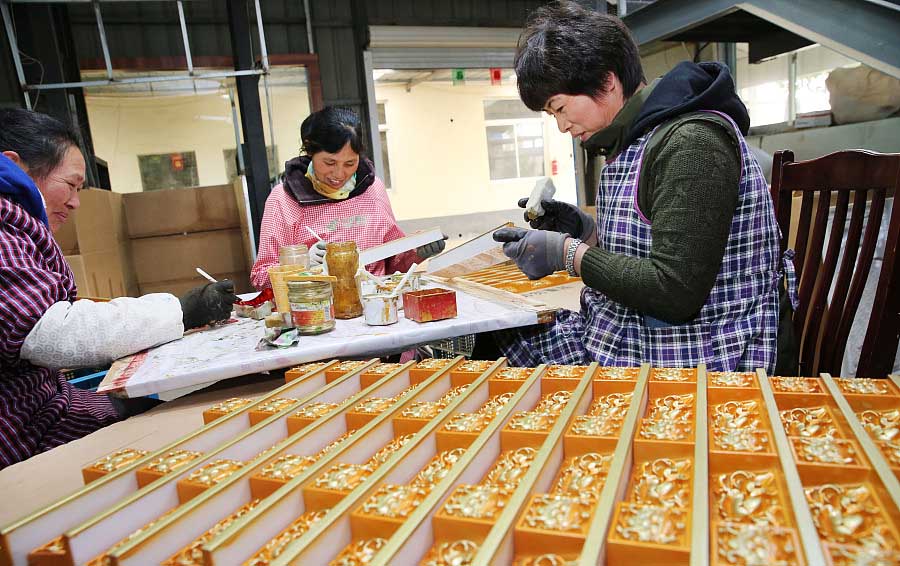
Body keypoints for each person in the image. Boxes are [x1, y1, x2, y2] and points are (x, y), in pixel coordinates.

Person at [488, 2, 796, 373]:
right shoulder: (634, 140)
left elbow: (674, 290)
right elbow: (647, 246)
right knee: (504, 332)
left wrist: (567, 255)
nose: (562, 126)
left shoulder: (692, 143)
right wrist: (582, 231)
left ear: (607, 80)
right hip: (640, 333)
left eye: (560, 108)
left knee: (504, 356)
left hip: (703, 353)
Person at [0, 108, 237, 469]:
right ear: (14, 165)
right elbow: (49, 332)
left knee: (188, 413)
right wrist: (181, 311)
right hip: (21, 433)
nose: (76, 202)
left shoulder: (16, 221)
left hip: (48, 405)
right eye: (70, 184)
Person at [250, 106, 445, 289]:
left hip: (376, 306)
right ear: (310, 151)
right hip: (317, 311)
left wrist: (416, 253)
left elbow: (392, 263)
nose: (339, 174)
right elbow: (259, 277)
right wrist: (301, 265)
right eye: (329, 162)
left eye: (350, 163)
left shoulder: (372, 189)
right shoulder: (283, 199)